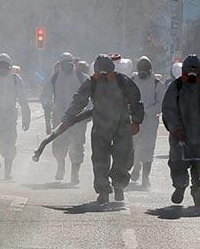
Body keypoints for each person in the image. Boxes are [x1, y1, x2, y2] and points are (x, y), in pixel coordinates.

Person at [63, 54, 144, 204]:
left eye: (107, 73)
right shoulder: (91, 82)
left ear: (112, 70)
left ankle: (119, 186)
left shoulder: (122, 81)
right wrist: (68, 116)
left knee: (123, 158)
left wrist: (136, 121)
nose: (104, 77)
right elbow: (79, 100)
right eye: (100, 73)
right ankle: (103, 190)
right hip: (101, 126)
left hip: (122, 125)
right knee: (100, 160)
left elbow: (136, 101)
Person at [40, 52, 89, 184]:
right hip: (59, 117)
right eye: (64, 64)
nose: (66, 67)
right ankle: (60, 166)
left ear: (73, 64)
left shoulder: (81, 77)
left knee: (77, 146)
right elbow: (45, 95)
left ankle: (74, 173)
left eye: (69, 64)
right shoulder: (55, 77)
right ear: (60, 65)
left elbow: (90, 95)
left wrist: (88, 112)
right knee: (58, 145)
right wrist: (47, 110)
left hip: (78, 119)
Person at [161, 54, 200, 206]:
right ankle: (180, 187)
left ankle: (197, 192)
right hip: (180, 136)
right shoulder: (176, 87)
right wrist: (176, 128)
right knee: (177, 164)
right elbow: (168, 109)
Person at [130, 56, 165, 189]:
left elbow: (161, 103)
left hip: (150, 121)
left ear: (150, 70)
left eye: (145, 70)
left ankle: (145, 179)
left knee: (148, 148)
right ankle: (135, 168)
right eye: (141, 70)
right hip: (134, 120)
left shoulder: (157, 84)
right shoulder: (132, 81)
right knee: (135, 146)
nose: (142, 72)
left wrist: (147, 111)